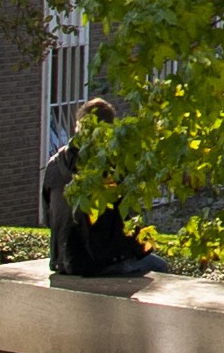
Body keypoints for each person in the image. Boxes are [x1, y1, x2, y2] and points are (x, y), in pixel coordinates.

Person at [43, 97, 159, 281]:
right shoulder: (109, 167)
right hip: (98, 263)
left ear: (77, 125)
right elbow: (122, 221)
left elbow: (49, 218)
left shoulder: (53, 164)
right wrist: (143, 248)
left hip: (62, 261)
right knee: (159, 266)